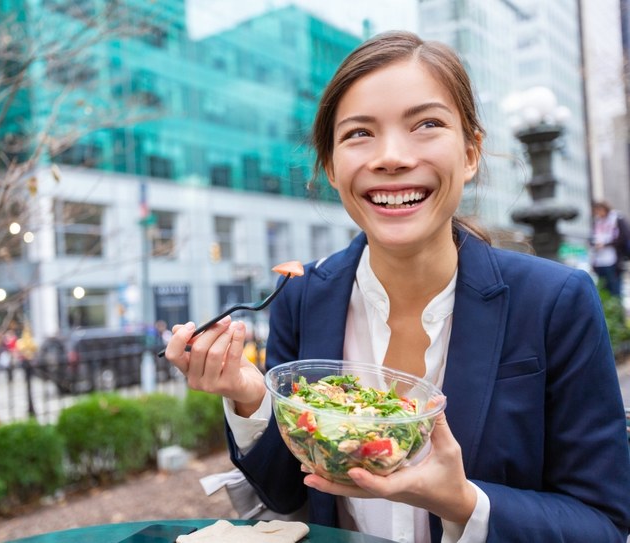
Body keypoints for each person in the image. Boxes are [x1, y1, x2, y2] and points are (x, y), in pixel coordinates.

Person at [163, 31, 630, 542]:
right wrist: (252, 398)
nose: (391, 157)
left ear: (471, 152)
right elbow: (289, 497)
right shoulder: (304, 296)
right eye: (359, 133)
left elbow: (602, 524)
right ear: (330, 168)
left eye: (426, 124)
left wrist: (464, 503)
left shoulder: (555, 302)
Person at [591, 200, 627, 298]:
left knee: (615, 291)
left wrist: (605, 244)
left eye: (599, 210)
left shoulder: (617, 218)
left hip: (613, 261)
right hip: (599, 261)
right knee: (603, 290)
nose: (597, 213)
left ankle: (616, 311)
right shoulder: (597, 222)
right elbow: (592, 238)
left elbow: (624, 237)